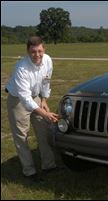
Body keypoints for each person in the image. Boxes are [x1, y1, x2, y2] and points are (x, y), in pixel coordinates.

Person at [5, 36, 59, 182]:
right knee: (22, 137)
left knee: (44, 130)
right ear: (28, 51)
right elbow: (25, 99)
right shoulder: (21, 68)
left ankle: (49, 166)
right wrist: (45, 113)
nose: (37, 55)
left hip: (35, 96)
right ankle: (29, 171)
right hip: (18, 100)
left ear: (44, 49)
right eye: (33, 52)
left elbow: (46, 80)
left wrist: (44, 100)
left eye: (39, 51)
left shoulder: (47, 60)